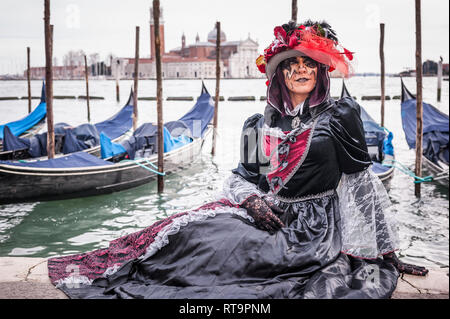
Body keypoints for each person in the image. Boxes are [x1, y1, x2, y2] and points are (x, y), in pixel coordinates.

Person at [47, 20, 427, 299]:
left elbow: (362, 185)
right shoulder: (256, 123)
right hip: (267, 214)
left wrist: (387, 253)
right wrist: (252, 201)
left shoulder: (341, 115)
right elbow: (243, 176)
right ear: (278, 75)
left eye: (309, 65)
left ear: (320, 72)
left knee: (238, 255)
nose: (300, 71)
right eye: (291, 65)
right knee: (191, 234)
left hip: (315, 230)